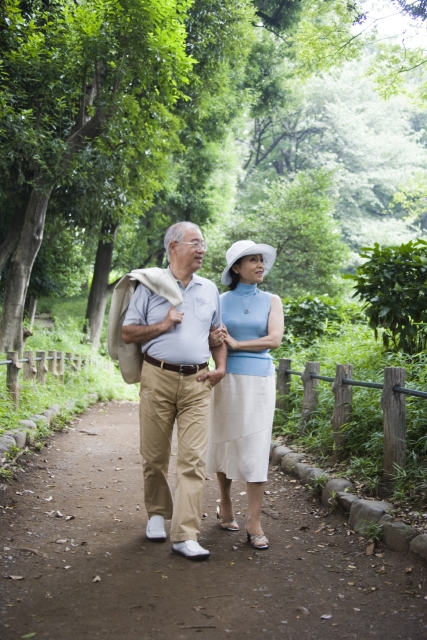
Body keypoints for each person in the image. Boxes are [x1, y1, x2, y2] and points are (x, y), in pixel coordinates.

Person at [122, 222, 226, 561]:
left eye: (203, 243)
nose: (202, 249)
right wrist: (163, 325)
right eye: (195, 243)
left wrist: (220, 365)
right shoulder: (150, 286)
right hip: (158, 377)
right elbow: (127, 332)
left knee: (193, 460)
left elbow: (217, 333)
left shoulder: (209, 289)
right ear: (174, 247)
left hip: (198, 382)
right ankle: (156, 513)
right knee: (154, 455)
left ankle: (186, 534)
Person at [207, 240, 284, 550]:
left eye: (261, 260)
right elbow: (211, 337)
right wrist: (215, 339)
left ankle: (254, 520)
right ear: (236, 268)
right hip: (226, 378)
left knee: (255, 445)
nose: (260, 265)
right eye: (253, 260)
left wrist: (238, 344)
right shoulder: (220, 300)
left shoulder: (272, 300)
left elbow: (274, 339)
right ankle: (225, 503)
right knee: (224, 441)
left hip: (260, 379)